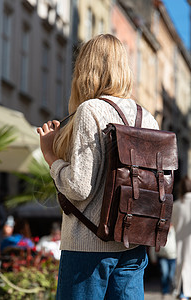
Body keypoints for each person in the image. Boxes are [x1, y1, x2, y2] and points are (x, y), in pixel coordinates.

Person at [37, 34, 159, 300]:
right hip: (133, 244)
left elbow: (79, 188)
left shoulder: (90, 110)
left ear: (85, 69)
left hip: (87, 249)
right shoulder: (146, 117)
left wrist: (50, 155)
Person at [172, 176, 191, 300]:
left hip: (179, 242)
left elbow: (172, 223)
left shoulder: (176, 205)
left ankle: (183, 293)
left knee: (182, 267)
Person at [149, 224, 177, 299]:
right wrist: (153, 257)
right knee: (164, 274)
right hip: (162, 257)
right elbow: (154, 245)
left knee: (172, 275)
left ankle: (173, 290)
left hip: (173, 257)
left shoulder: (176, 230)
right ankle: (165, 291)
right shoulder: (160, 231)